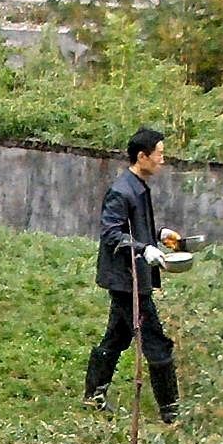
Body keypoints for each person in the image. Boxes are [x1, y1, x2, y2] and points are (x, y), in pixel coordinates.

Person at [83, 127, 183, 422]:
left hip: (132, 276)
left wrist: (158, 235)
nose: (163, 160)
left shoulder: (137, 186)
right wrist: (143, 249)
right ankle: (171, 411)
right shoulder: (121, 190)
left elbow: (133, 228)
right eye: (159, 154)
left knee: (115, 338)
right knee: (156, 343)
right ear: (142, 156)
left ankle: (93, 395)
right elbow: (112, 234)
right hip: (127, 280)